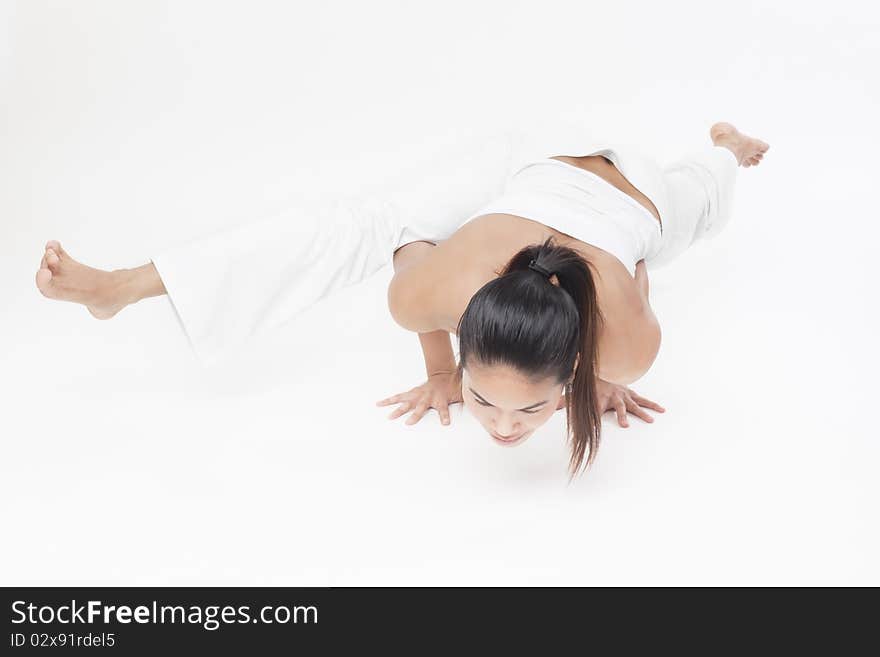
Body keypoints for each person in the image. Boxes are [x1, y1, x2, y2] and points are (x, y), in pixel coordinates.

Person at [34, 120, 769, 478]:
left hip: (629, 197)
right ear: (463, 333)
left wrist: (601, 379)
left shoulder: (627, 349)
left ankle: (729, 144)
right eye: (485, 398)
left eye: (530, 408)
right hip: (536, 163)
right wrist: (442, 372)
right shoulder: (430, 289)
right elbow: (412, 257)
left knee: (703, 195)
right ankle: (123, 287)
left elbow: (636, 268)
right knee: (359, 227)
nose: (504, 428)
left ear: (573, 366)